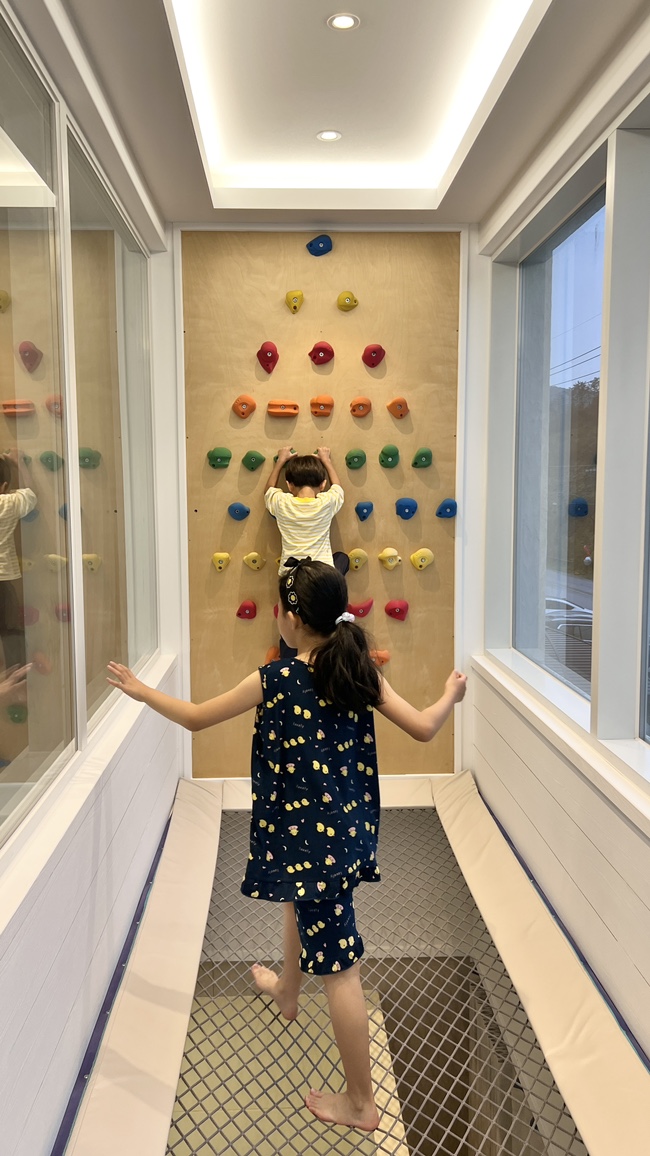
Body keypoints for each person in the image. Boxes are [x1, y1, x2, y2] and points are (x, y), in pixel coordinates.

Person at [107, 560, 467, 1133]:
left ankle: (362, 1103)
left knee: (341, 970)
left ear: (292, 620)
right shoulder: (357, 669)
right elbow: (424, 727)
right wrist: (449, 694)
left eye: (279, 608)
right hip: (340, 834)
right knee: (300, 904)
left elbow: (196, 719)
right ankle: (288, 988)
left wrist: (141, 691)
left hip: (310, 842)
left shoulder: (275, 678)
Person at [264, 447, 345, 576]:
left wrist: (281, 461)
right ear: (323, 485)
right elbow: (337, 488)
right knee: (342, 558)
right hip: (321, 575)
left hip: (290, 575)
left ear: (289, 485)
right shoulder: (327, 503)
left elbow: (268, 491)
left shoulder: (282, 503)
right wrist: (326, 460)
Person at [0, 449, 37, 669]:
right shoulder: (6, 503)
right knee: (10, 632)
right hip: (2, 582)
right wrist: (19, 463)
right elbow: (30, 495)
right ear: (4, 487)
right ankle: (15, 676)